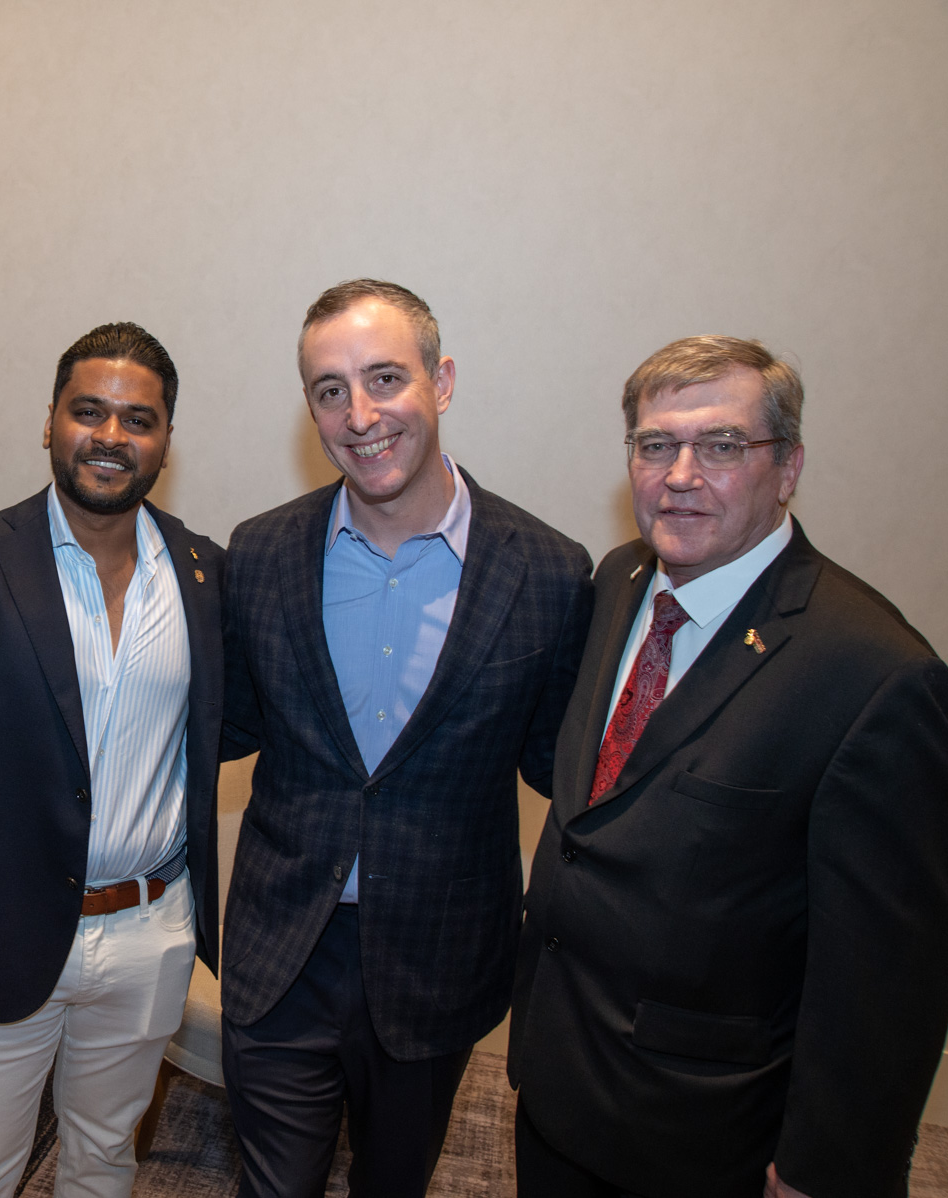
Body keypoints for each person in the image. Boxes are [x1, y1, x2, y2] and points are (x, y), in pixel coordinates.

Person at [508, 336, 948, 1198]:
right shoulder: (620, 580)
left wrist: (824, 1169)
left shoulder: (872, 675)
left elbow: (888, 977)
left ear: (787, 468)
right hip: (559, 1078)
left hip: (703, 1134)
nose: (680, 475)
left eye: (721, 446)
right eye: (656, 445)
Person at [218, 280, 594, 1197]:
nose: (360, 415)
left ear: (443, 381)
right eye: (330, 390)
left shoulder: (549, 572)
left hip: (438, 956)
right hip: (282, 948)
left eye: (385, 378)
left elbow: (562, 767)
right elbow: (217, 723)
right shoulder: (259, 554)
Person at [0, 322, 224, 1197]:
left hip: (149, 930)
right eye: (88, 411)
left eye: (138, 419)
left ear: (167, 440)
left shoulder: (205, 575)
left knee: (105, 1158)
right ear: (50, 421)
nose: (111, 435)